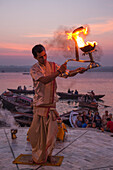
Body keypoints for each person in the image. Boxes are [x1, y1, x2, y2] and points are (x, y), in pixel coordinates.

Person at [28, 44, 86, 164]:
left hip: (51, 107)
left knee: (52, 135)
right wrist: (59, 72)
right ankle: (39, 157)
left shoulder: (53, 66)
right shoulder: (34, 69)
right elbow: (44, 80)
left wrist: (78, 71)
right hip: (40, 107)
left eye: (44, 55)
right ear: (35, 58)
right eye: (40, 57)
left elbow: (67, 73)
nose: (44, 59)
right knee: (38, 136)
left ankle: (49, 155)